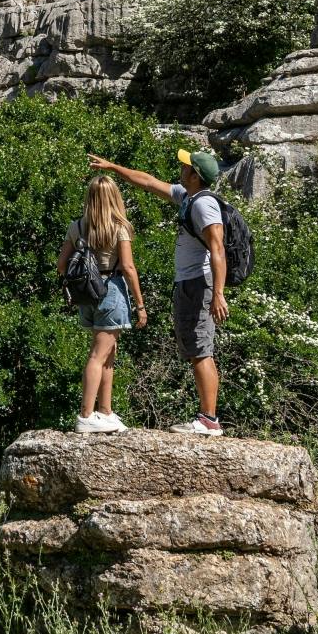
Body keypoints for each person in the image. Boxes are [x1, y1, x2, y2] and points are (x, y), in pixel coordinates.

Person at [86, 148, 232, 436]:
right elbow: (149, 182)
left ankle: (209, 419)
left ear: (195, 175)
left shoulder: (204, 205)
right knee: (195, 348)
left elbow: (218, 249)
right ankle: (207, 417)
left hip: (199, 284)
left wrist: (218, 293)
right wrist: (113, 167)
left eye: (186, 167)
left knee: (202, 350)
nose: (181, 168)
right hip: (189, 283)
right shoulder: (187, 196)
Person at [56, 174, 147, 433]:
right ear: (114, 198)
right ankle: (86, 415)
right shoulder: (119, 227)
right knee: (98, 355)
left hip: (88, 295)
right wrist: (140, 305)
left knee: (109, 353)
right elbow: (128, 267)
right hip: (112, 290)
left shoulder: (77, 226)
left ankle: (105, 412)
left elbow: (62, 266)